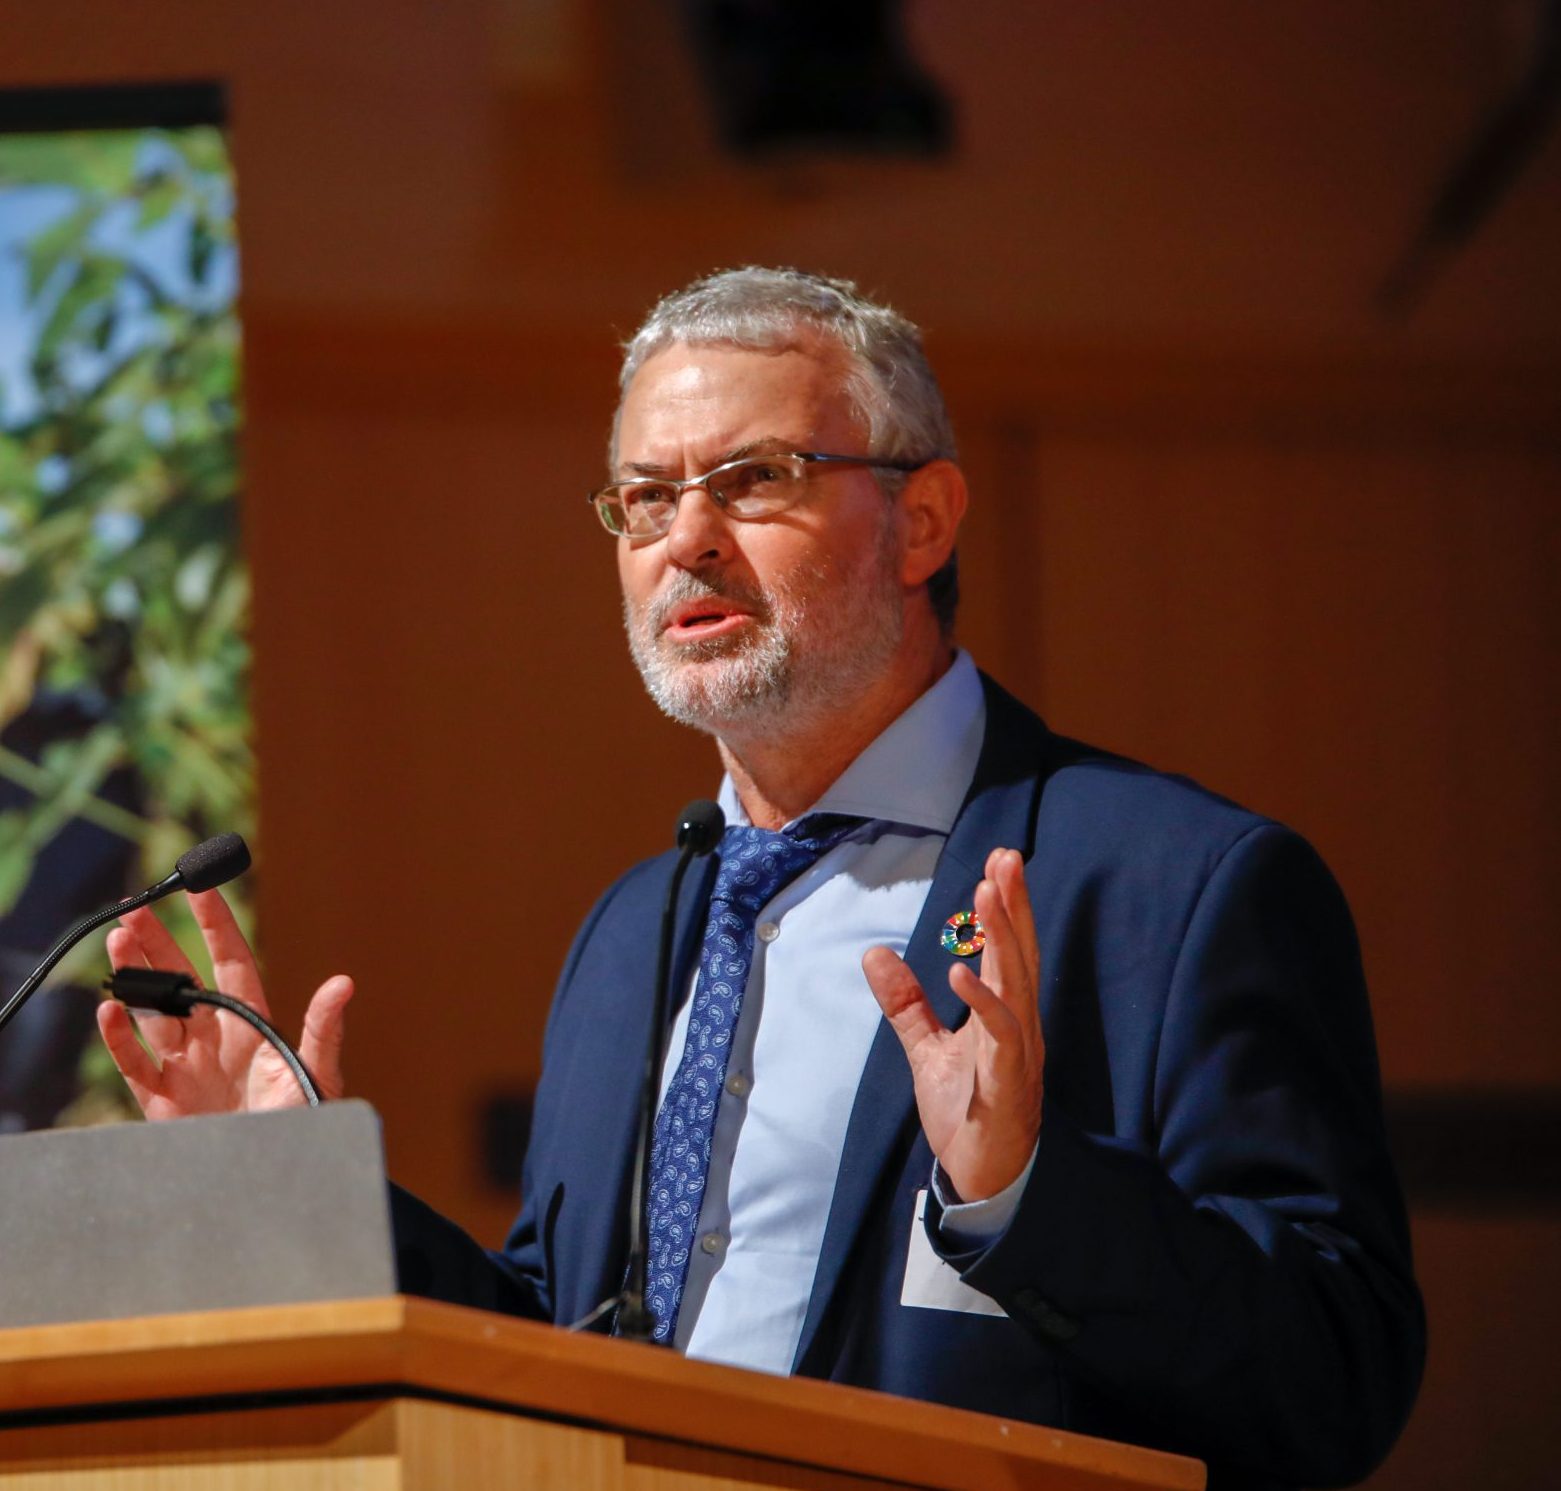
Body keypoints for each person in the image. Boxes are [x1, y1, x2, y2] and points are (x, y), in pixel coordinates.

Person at [98, 267, 1424, 1489]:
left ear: (921, 521)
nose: (685, 540)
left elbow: (1330, 1382)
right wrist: (293, 1192)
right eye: (643, 498)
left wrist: (1025, 1189)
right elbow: (562, 1347)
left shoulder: (1176, 887)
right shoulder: (637, 926)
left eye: (750, 480)